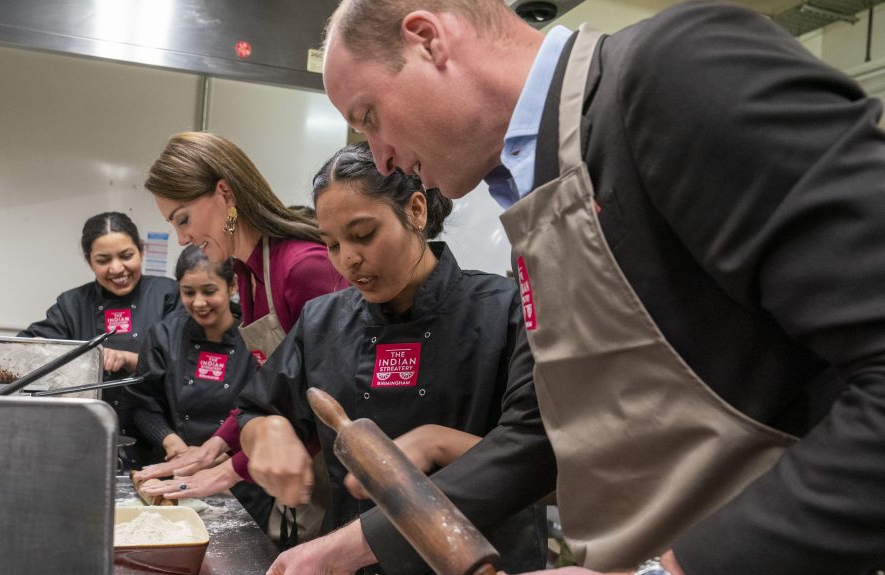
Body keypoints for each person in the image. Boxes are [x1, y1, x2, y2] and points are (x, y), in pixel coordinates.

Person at [261, 1, 885, 574]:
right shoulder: (542, 194)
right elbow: (539, 435)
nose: (382, 157)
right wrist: (350, 547)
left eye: (370, 117)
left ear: (427, 40)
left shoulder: (676, 72)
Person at [218, 141, 546, 573]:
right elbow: (257, 410)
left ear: (415, 210)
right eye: (332, 244)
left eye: (363, 235)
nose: (348, 261)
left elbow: (544, 461)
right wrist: (267, 431)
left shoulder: (504, 310)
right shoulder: (323, 321)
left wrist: (437, 444)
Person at [136, 131, 346, 543]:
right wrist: (214, 446)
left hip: (334, 472)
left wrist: (233, 468)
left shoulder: (301, 266)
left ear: (225, 193)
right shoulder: (250, 276)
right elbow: (267, 389)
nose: (182, 240)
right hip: (294, 471)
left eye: (183, 219)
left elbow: (333, 395)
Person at [18, 211, 179, 468]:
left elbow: (182, 366)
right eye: (103, 260)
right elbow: (27, 349)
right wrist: (85, 360)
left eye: (127, 256)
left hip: (160, 443)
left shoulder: (167, 295)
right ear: (89, 261)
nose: (117, 269)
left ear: (141, 250)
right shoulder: (72, 304)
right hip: (85, 441)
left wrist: (129, 359)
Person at [126, 244, 271, 525]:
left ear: (231, 285)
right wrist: (174, 445)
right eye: (188, 292)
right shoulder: (165, 335)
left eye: (209, 291)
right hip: (177, 477)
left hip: (241, 481)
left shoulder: (255, 336)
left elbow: (263, 409)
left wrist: (222, 455)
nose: (199, 302)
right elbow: (143, 404)